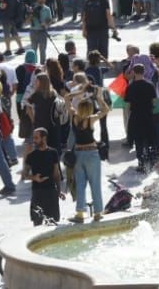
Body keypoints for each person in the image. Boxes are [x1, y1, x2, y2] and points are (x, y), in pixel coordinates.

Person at [69, 88, 109, 222]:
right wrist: (99, 98)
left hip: (78, 154)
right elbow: (106, 110)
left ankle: (80, 213)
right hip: (91, 153)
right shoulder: (90, 119)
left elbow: (66, 99)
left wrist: (76, 94)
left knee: (80, 184)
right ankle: (98, 213)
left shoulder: (74, 117)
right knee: (95, 183)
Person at [23, 126, 64, 225]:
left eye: (36, 138)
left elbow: (56, 173)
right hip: (37, 193)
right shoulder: (31, 155)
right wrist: (34, 178)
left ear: (44, 138)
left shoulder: (53, 153)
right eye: (34, 138)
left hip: (51, 192)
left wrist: (59, 191)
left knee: (52, 223)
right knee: (37, 223)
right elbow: (25, 174)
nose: (34, 140)